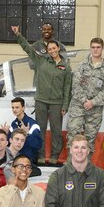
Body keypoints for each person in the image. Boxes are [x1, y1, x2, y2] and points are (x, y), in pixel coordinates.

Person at [13, 25, 72, 165]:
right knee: (40, 129)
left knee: (57, 131)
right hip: (41, 101)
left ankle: (54, 155)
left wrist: (65, 105)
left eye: (54, 48)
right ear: (47, 50)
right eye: (49, 49)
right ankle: (40, 154)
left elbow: (67, 87)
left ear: (58, 48)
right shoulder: (41, 61)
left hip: (57, 103)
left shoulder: (66, 66)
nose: (52, 51)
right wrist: (18, 35)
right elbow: (28, 48)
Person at [67, 38, 104, 150]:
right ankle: (71, 166)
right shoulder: (81, 66)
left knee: (90, 140)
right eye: (93, 47)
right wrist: (84, 101)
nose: (95, 50)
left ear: (102, 49)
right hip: (78, 106)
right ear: (90, 48)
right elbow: (75, 85)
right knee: (73, 136)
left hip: (95, 109)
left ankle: (86, 167)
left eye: (98, 47)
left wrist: (93, 102)